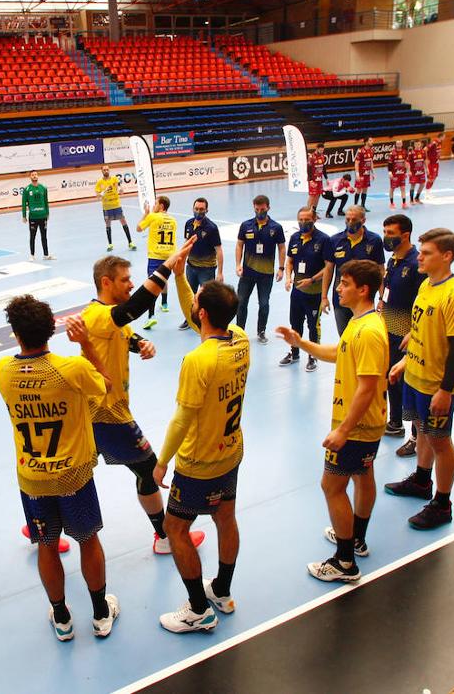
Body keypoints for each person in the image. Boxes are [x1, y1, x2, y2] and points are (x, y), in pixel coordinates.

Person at [0, 296, 119, 641]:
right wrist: (86, 344)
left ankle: (62, 617)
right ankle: (100, 612)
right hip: (73, 475)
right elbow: (106, 385)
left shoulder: (3, 370)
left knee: (46, 545)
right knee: (87, 540)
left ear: (16, 333)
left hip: (33, 478)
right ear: (52, 330)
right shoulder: (72, 369)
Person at [77, 238, 206, 556]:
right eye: (125, 280)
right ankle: (165, 537)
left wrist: (140, 344)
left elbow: (124, 333)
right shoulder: (97, 315)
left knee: (70, 472)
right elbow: (132, 309)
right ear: (106, 283)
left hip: (96, 410)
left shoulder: (107, 316)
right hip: (107, 413)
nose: (131, 284)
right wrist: (168, 265)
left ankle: (39, 526)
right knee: (148, 470)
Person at [154, 258, 249, 633]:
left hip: (199, 462)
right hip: (231, 451)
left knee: (175, 528)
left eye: (196, 300)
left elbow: (182, 419)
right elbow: (196, 312)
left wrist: (162, 462)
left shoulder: (198, 360)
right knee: (225, 517)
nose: (192, 303)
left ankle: (198, 609)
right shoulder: (238, 339)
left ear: (204, 313)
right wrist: (180, 278)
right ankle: (222, 591)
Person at [277, 259, 387, 583]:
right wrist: (301, 343)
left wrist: (344, 430)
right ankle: (357, 539)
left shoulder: (369, 331)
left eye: (344, 284)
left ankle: (345, 562)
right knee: (363, 475)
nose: (337, 288)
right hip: (366, 424)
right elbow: (339, 353)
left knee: (332, 486)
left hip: (357, 426)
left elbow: (367, 388)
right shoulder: (361, 321)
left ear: (363, 290)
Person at [384, 228, 454, 531]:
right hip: (415, 376)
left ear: (446, 256)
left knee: (440, 441)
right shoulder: (426, 284)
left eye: (426, 253)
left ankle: (442, 504)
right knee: (421, 429)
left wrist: (445, 390)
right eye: (420, 252)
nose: (419, 257)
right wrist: (405, 361)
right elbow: (421, 330)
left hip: (436, 384)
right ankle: (422, 480)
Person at [379, 214, 424, 456]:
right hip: (389, 332)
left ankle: (416, 437)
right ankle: (395, 422)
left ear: (405, 235)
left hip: (407, 337)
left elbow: (422, 304)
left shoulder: (417, 265)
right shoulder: (393, 260)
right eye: (385, 232)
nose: (386, 237)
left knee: (409, 385)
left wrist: (414, 333)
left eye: (391, 233)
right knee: (391, 379)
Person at [280, 206, 330, 372]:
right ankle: (294, 353)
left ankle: (313, 355)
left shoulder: (323, 240)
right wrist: (288, 278)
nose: (303, 223)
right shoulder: (294, 237)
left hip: (315, 292)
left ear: (314, 219)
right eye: (300, 220)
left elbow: (328, 267)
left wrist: (312, 279)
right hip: (297, 291)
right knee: (295, 323)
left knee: (313, 326)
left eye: (307, 220)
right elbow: (290, 261)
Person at [322, 205, 385, 338]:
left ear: (363, 220)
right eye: (348, 219)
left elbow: (380, 270)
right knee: (344, 337)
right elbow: (328, 269)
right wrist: (324, 297)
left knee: (363, 335)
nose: (350, 222)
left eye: (354, 219)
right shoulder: (334, 240)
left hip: (364, 299)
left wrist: (381, 298)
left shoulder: (374, 241)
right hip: (341, 298)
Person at [234, 194, 285, 345]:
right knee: (241, 302)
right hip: (247, 272)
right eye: (257, 209)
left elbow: (282, 248)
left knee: (264, 304)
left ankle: (261, 331)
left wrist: (281, 268)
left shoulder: (276, 228)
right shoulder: (246, 225)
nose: (259, 212)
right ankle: (239, 332)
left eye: (262, 209)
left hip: (266, 274)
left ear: (268, 208)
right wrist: (238, 265)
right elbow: (239, 245)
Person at [181, 197, 224, 330]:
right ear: (193, 209)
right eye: (196, 209)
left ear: (206, 210)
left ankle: (208, 322)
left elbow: (219, 250)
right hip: (191, 267)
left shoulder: (211, 228)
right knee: (190, 295)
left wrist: (220, 272)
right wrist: (182, 261)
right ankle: (189, 319)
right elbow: (186, 244)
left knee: (207, 298)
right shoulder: (188, 224)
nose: (198, 211)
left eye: (201, 209)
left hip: (206, 269)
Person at [138, 195, 178, 329]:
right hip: (169, 256)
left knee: (152, 286)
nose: (154, 206)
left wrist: (146, 214)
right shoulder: (173, 220)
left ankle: (151, 316)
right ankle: (164, 304)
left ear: (161, 206)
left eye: (155, 204)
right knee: (163, 280)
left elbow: (139, 228)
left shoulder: (153, 216)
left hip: (155, 256)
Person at [95, 165, 135, 251]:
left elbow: (120, 189)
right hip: (107, 206)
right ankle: (110, 245)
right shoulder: (99, 182)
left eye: (107, 169)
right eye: (104, 170)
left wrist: (121, 190)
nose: (106, 171)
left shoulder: (114, 179)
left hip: (116, 205)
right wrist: (102, 193)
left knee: (123, 221)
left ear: (109, 170)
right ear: (102, 171)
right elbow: (97, 196)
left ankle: (130, 242)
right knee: (108, 223)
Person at [21, 170, 54, 261]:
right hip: (33, 217)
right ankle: (32, 255)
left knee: (44, 236)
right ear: (30, 177)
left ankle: (46, 255)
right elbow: (24, 203)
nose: (34, 176)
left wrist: (47, 213)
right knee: (32, 236)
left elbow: (46, 201)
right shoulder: (27, 189)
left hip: (43, 216)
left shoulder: (43, 188)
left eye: (36, 174)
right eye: (33, 175)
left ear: (38, 176)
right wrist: (24, 215)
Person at [353, 137, 374, 211]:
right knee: (358, 190)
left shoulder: (371, 150)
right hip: (361, 174)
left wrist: (373, 172)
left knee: (365, 190)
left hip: (367, 174)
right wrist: (357, 174)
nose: (372, 141)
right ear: (366, 142)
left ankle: (363, 206)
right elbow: (356, 163)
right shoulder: (360, 151)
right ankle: (355, 207)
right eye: (370, 140)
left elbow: (371, 161)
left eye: (372, 140)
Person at [307, 143, 328, 211]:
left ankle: (314, 211)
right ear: (317, 149)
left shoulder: (322, 156)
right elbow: (308, 169)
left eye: (323, 150)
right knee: (312, 195)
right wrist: (310, 180)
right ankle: (307, 211)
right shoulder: (311, 157)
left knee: (318, 195)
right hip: (313, 179)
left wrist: (326, 178)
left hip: (319, 179)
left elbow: (323, 167)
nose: (322, 151)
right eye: (320, 150)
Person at [388, 142, 409, 210]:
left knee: (403, 188)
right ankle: (391, 203)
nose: (399, 144)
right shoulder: (392, 153)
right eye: (398, 143)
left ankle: (404, 203)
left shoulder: (405, 152)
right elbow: (389, 163)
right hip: (394, 174)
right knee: (392, 189)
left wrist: (406, 172)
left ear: (402, 144)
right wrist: (390, 172)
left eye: (400, 143)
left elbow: (406, 163)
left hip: (402, 174)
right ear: (396, 144)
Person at [407, 139, 427, 205]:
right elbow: (408, 163)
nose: (417, 145)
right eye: (416, 144)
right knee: (413, 185)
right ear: (414, 145)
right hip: (414, 172)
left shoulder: (423, 152)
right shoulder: (411, 153)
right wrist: (409, 171)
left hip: (421, 171)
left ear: (420, 144)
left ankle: (417, 198)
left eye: (419, 144)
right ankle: (411, 200)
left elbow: (424, 160)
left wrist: (427, 169)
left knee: (422, 184)